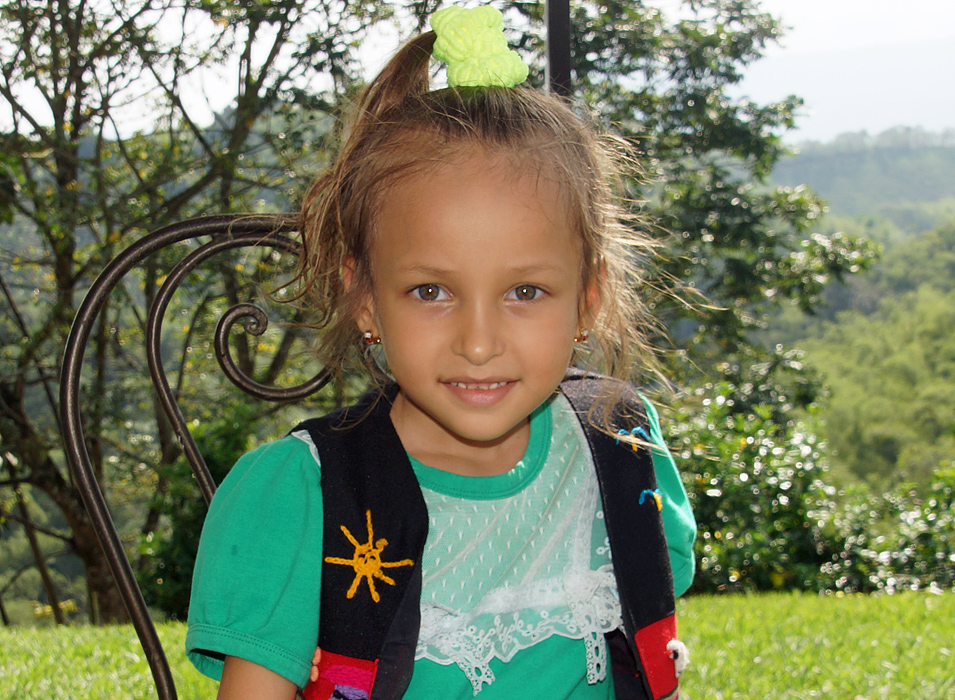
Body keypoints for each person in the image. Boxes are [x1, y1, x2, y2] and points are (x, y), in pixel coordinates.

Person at [186, 6, 696, 700]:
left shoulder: (618, 452)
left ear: (587, 298)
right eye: (430, 291)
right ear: (365, 298)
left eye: (525, 290)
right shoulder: (306, 497)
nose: (479, 342)